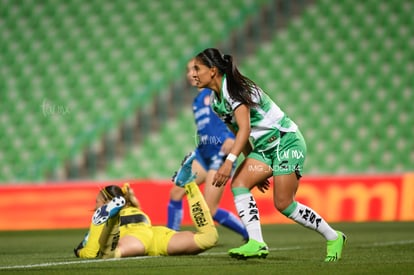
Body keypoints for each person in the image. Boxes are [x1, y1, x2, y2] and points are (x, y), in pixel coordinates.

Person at [190, 48, 347, 262]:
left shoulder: (233, 89)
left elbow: (245, 129)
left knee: (284, 204)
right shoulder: (216, 102)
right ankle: (257, 242)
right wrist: (254, 164)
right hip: (265, 148)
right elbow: (238, 134)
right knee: (240, 183)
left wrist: (229, 162)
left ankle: (334, 236)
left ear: (213, 70)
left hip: (286, 141)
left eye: (197, 68)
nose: (193, 74)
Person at [74, 154, 218, 258]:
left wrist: (80, 251)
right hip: (156, 235)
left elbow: (91, 253)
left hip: (132, 238)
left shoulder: (102, 221)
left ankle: (111, 221)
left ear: (106, 203)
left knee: (108, 254)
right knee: (208, 238)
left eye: (97, 203)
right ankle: (189, 184)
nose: (95, 205)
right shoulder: (134, 206)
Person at [167, 59, 248, 241]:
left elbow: (235, 116)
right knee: (176, 192)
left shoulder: (216, 92)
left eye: (195, 69)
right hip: (203, 153)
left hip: (220, 154)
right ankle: (170, 236)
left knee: (210, 209)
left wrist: (232, 138)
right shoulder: (197, 100)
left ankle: (248, 233)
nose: (191, 74)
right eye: (188, 70)